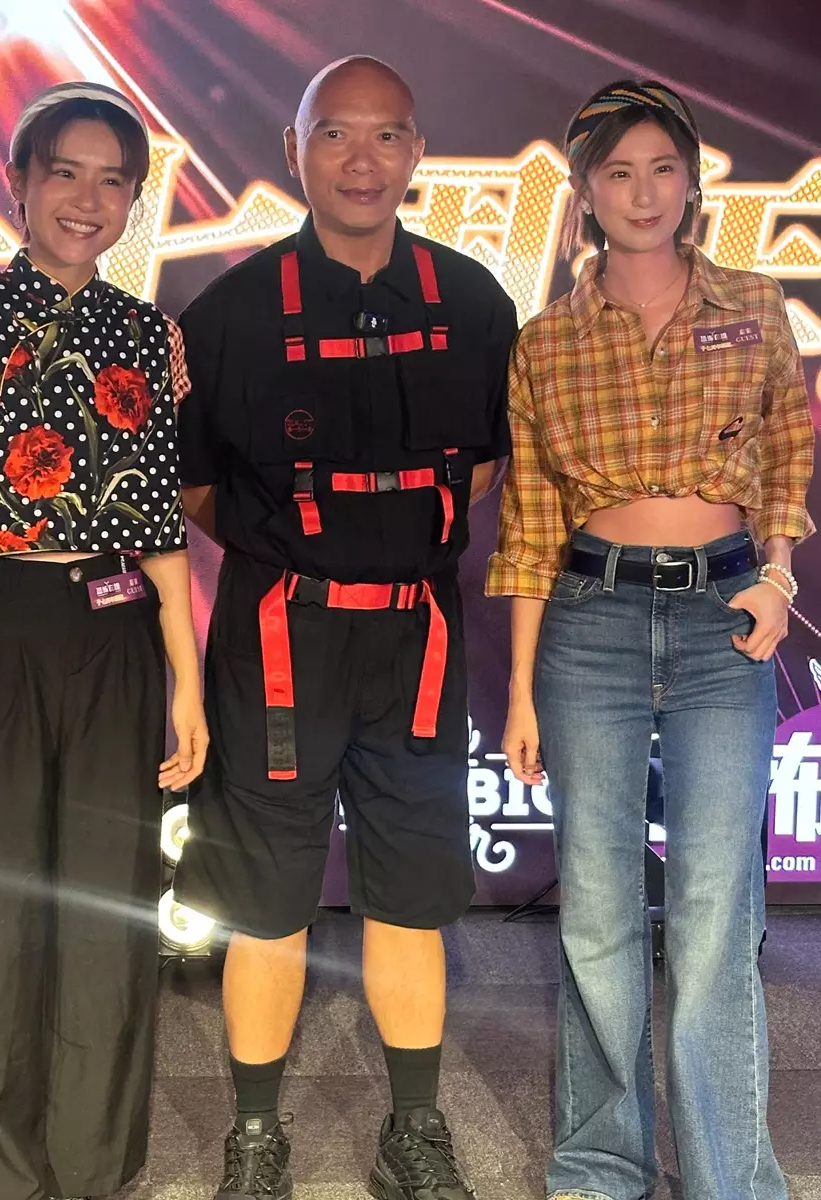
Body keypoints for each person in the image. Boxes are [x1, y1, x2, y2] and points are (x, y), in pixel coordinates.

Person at [174, 55, 516, 1200]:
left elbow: (482, 468)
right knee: (265, 904)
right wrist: (303, 553)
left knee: (410, 896)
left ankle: (414, 1129)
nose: (361, 161)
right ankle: (254, 1139)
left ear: (417, 151)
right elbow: (197, 489)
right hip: (277, 644)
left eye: (385, 135)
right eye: (335, 134)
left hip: (413, 642)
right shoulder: (226, 316)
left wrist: (384, 545)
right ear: (295, 149)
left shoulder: (474, 305)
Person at [487, 80, 814, 1200]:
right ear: (583, 192)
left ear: (691, 181)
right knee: (597, 911)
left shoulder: (754, 305)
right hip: (592, 626)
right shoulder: (547, 342)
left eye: (662, 169)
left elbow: (789, 455)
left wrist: (778, 578)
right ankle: (598, 1168)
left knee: (720, 911)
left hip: (727, 620)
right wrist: (522, 691)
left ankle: (732, 1178)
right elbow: (529, 524)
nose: (643, 192)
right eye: (617, 172)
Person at [0, 82, 208, 1200]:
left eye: (112, 181)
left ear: (134, 199)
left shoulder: (152, 336)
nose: (87, 199)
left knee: (105, 903)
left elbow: (163, 532)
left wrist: (186, 682)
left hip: (119, 632)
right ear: (20, 183)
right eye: (65, 173)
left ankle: (90, 1162)